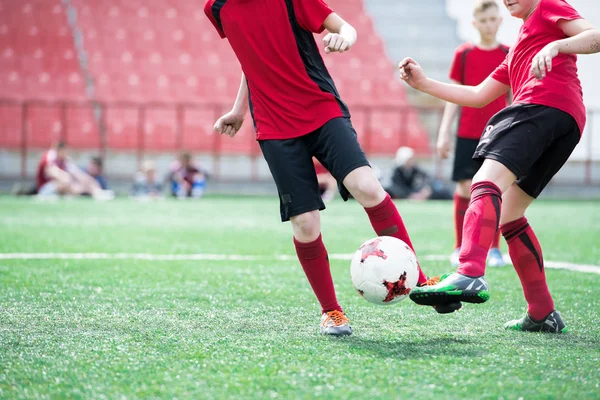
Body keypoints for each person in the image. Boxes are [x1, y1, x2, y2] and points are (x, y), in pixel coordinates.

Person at [205, 0, 444, 336]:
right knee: (304, 224)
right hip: (274, 126)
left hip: (321, 109)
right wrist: (239, 111)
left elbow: (345, 27)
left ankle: (420, 279)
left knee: (367, 186)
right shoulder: (217, 9)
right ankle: (331, 311)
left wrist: (345, 37)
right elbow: (251, 59)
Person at [401, 0, 599, 332]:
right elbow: (479, 94)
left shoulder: (548, 6)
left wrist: (557, 45)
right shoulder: (520, 43)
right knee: (510, 215)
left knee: (484, 181)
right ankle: (542, 312)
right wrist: (423, 84)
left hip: (541, 106)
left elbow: (595, 36)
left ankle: (470, 272)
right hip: (568, 123)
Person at [437, 0, 509, 268]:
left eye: (493, 19)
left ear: (500, 20)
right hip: (467, 132)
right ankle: (459, 246)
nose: (489, 24)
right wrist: (444, 133)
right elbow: (453, 96)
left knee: (494, 188)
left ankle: (494, 249)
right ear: (474, 23)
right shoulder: (464, 54)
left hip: (498, 133)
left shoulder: (509, 54)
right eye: (484, 20)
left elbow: (513, 98)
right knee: (465, 187)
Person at [36, 141, 114, 200]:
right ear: (59, 150)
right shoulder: (49, 157)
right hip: (45, 189)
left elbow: (78, 174)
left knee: (82, 181)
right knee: (67, 182)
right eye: (65, 151)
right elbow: (54, 173)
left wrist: (91, 182)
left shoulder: (64, 160)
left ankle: (97, 192)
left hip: (62, 187)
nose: (66, 154)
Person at [385, 147, 452, 201]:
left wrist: (425, 191)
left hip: (413, 193)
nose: (410, 162)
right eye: (408, 160)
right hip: (402, 194)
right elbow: (395, 187)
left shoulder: (414, 168)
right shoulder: (395, 171)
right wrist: (409, 195)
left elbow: (428, 178)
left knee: (443, 192)